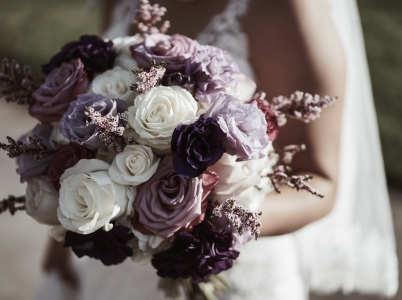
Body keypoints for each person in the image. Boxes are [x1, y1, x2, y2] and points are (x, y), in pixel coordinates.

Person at [38, 0, 398, 299]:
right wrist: (69, 227)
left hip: (234, 271)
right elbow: (89, 117)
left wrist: (201, 221)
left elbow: (322, 183)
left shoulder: (284, 9)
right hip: (114, 272)